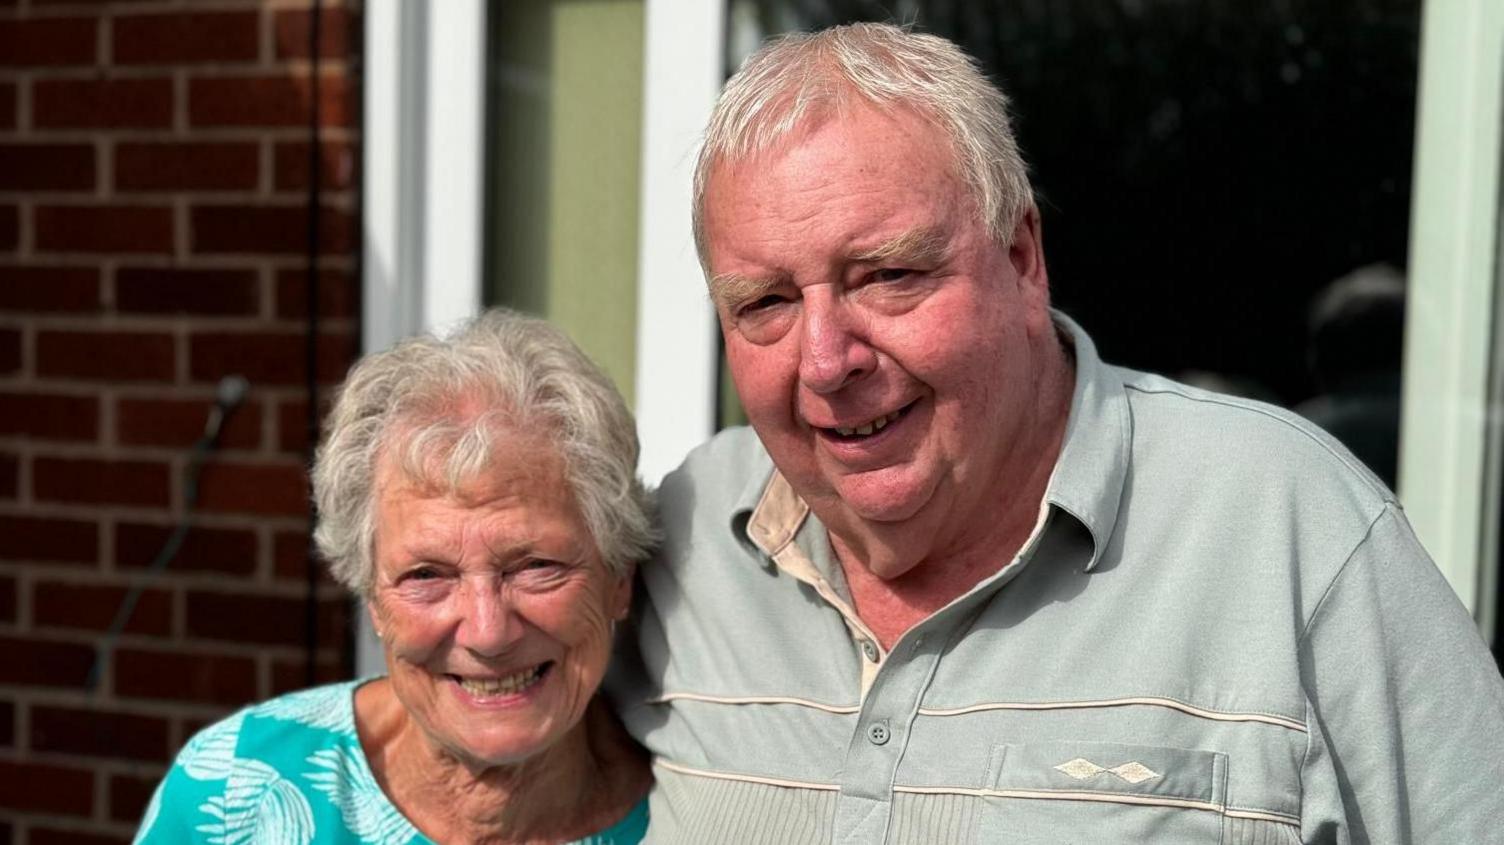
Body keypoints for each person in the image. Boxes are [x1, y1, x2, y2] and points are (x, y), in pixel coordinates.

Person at [608, 22, 1504, 843]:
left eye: (885, 275)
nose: (826, 360)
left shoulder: (1288, 528)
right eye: (764, 302)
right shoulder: (689, 538)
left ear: (1022, 257)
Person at [137, 310, 655, 844]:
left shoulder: (697, 815)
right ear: (372, 601)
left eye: (535, 567)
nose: (488, 632)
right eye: (427, 574)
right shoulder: (234, 794)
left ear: (619, 576)